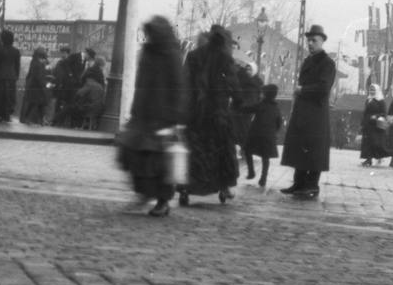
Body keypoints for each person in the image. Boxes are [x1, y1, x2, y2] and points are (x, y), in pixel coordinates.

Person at [115, 15, 187, 217]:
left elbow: (178, 86)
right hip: (143, 115)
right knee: (134, 153)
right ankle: (145, 192)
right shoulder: (147, 52)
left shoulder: (171, 54)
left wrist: (174, 117)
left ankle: (162, 201)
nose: (148, 37)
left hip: (162, 116)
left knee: (159, 163)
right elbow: (141, 83)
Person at [178, 25, 241, 205]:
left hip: (196, 115)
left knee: (195, 152)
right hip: (218, 115)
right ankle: (224, 186)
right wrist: (238, 101)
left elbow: (185, 86)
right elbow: (234, 86)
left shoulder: (192, 56)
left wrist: (184, 112)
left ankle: (186, 189)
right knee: (222, 152)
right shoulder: (225, 59)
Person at [280, 25, 335, 198]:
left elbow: (323, 88)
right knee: (301, 147)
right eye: (308, 40)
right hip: (303, 111)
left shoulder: (327, 63)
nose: (310, 43)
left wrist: (302, 89)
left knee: (313, 149)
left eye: (314, 40)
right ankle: (299, 182)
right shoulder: (308, 61)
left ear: (322, 42)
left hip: (316, 113)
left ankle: (312, 185)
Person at [244, 84, 283, 188]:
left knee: (247, 151)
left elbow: (246, 109)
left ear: (265, 94)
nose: (260, 95)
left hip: (255, 135)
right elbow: (279, 123)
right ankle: (263, 178)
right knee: (265, 158)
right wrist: (273, 132)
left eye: (261, 93)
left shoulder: (259, 105)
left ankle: (251, 171)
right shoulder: (276, 109)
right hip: (269, 136)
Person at [359, 83, 392, 166]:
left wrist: (376, 116)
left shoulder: (380, 101)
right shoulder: (368, 100)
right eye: (371, 89)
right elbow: (365, 113)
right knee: (367, 143)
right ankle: (368, 159)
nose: (372, 91)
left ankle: (380, 156)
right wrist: (362, 124)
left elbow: (384, 113)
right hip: (368, 124)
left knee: (375, 142)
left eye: (374, 89)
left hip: (375, 126)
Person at [51, 47, 83, 125]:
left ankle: (57, 121)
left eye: (64, 53)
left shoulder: (68, 63)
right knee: (59, 104)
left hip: (65, 87)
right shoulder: (60, 62)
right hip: (61, 86)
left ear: (68, 53)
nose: (62, 54)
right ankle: (56, 121)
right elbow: (56, 73)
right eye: (61, 53)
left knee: (63, 104)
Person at [19, 47, 50, 125]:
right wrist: (43, 85)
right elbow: (39, 76)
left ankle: (31, 119)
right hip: (38, 87)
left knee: (35, 103)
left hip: (34, 87)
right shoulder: (38, 64)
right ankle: (40, 120)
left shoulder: (35, 62)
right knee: (39, 103)